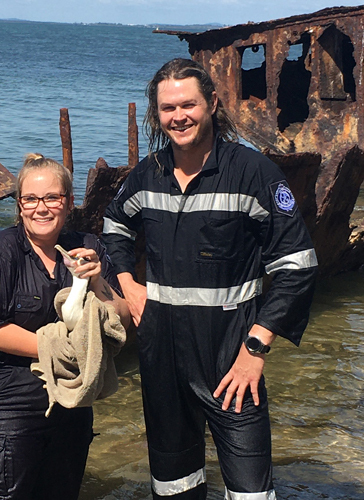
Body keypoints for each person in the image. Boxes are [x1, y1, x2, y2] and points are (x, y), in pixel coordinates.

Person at [102, 58, 317, 500]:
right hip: (163, 360)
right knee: (173, 487)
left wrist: (256, 349)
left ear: (212, 103)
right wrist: (128, 282)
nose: (178, 117)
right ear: (157, 114)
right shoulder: (147, 174)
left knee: (251, 492)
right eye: (168, 108)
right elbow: (114, 226)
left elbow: (298, 265)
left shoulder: (253, 173)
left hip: (231, 362)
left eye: (188, 105)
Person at [0, 153, 130, 500]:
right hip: (6, 404)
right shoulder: (0, 251)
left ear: (68, 202)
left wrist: (97, 282)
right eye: (31, 199)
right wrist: (60, 349)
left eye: (52, 197)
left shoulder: (88, 247)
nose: (41, 208)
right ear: (20, 205)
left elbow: (122, 319)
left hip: (69, 405)